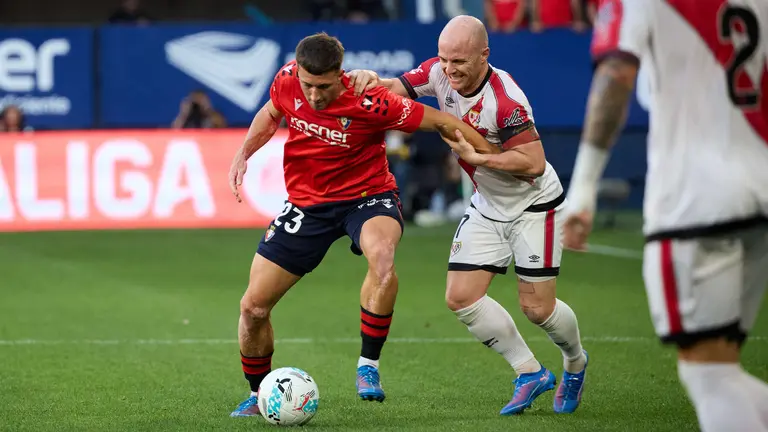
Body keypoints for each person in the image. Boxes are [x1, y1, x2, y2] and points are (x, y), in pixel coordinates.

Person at [228, 32, 499, 417]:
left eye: (323, 86)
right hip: (308, 205)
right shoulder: (287, 80)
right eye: (308, 85)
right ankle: (260, 395)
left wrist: (495, 157)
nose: (315, 95)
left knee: (383, 260)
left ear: (341, 73)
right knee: (253, 308)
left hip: (367, 197)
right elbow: (272, 112)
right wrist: (243, 153)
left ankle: (368, 366)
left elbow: (441, 120)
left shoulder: (372, 100)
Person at [348, 15, 588, 415]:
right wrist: (368, 77)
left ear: (484, 55)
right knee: (461, 297)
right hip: (488, 206)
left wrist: (481, 159)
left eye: (458, 61)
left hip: (532, 206)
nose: (448, 69)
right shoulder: (438, 72)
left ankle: (575, 363)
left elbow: (533, 161)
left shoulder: (506, 101)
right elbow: (395, 89)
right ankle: (530, 373)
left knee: (537, 310)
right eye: (444, 59)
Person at [563, 0, 768, 430]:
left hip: (694, 196)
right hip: (760, 183)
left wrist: (582, 188)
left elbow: (616, 73)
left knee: (709, 374)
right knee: (721, 366)